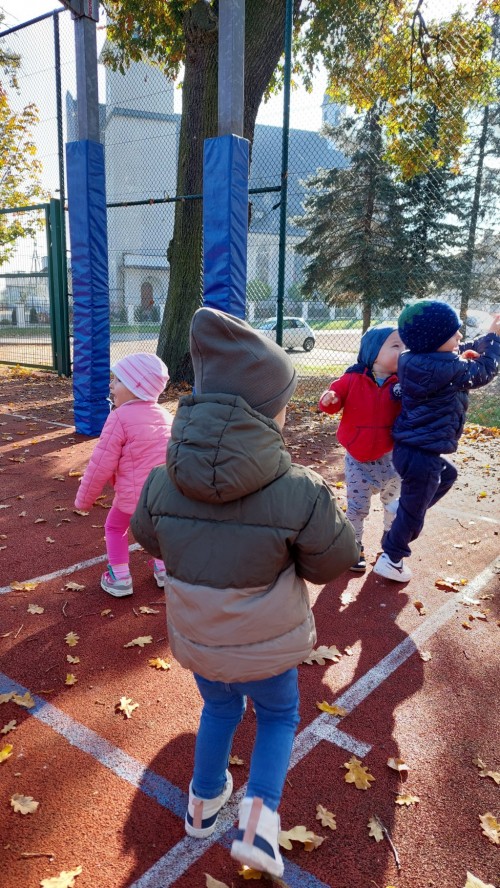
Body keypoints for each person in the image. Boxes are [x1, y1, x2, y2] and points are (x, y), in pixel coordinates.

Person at [131, 307, 358, 877]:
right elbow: (333, 561)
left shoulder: (163, 477)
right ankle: (259, 821)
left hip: (200, 638)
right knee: (279, 715)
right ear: (267, 411)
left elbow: (148, 538)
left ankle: (203, 803)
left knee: (218, 706)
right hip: (266, 642)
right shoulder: (299, 487)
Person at [373, 300, 500, 582]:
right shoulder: (451, 369)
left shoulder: (410, 358)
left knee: (448, 476)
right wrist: (493, 341)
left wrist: (476, 344)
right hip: (424, 455)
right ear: (436, 340)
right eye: (454, 333)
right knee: (415, 514)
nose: (459, 337)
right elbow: (486, 370)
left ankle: (400, 509)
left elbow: (450, 354)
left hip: (408, 449)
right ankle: (392, 558)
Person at [75, 352, 173, 597]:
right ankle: (164, 570)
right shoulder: (166, 416)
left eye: (117, 380)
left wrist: (84, 500)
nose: (111, 385)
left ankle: (119, 577)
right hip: (164, 495)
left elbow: (101, 463)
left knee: (114, 526)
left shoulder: (119, 417)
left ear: (135, 386)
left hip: (133, 497)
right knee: (159, 529)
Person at [318, 325, 404, 571]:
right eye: (396, 345)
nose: (403, 351)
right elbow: (334, 397)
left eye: (405, 346)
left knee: (394, 505)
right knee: (357, 508)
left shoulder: (404, 382)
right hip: (359, 460)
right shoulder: (352, 378)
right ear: (374, 351)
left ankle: (391, 541)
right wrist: (329, 399)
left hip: (392, 459)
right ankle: (353, 546)